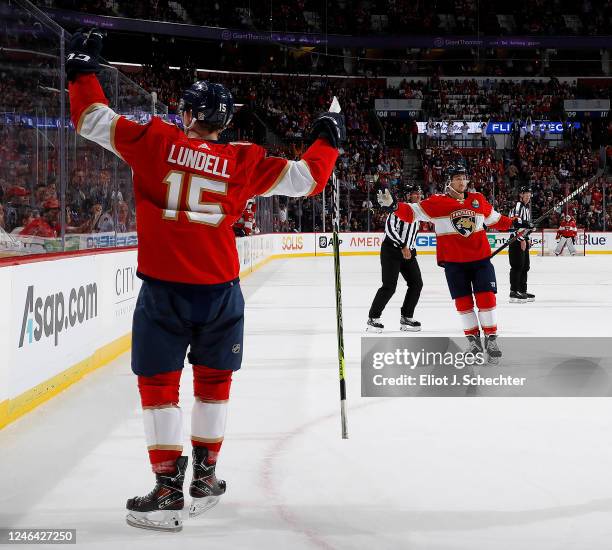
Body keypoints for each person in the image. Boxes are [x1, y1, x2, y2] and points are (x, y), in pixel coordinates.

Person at [66, 29, 343, 532]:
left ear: (189, 115)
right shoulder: (245, 160)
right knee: (214, 383)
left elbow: (90, 118)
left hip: (163, 291)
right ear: (225, 121)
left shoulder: (155, 141)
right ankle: (205, 477)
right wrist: (328, 139)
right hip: (220, 292)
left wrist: (84, 70)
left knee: (159, 386)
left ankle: (169, 486)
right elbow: (308, 180)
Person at [377, 165, 529, 362]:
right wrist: (393, 206)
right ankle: (473, 342)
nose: (462, 182)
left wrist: (517, 223)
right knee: (463, 303)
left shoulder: (478, 200)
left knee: (486, 299)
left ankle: (491, 338)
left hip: (480, 260)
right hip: (454, 264)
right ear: (449, 181)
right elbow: (411, 213)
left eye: (464, 178)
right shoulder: (436, 203)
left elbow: (497, 220)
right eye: (458, 178)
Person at [367, 185, 423, 333]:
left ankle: (406, 316)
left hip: (408, 253)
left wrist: (409, 248)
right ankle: (373, 318)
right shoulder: (397, 211)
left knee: (416, 284)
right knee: (389, 287)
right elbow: (390, 231)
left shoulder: (418, 212)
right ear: (407, 196)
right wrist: (403, 246)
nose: (419, 196)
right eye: (415, 193)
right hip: (391, 251)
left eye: (419, 193)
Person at [508, 186, 534, 302]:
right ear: (521, 195)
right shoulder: (518, 207)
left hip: (523, 239)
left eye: (529, 196)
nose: (528, 198)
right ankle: (514, 292)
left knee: (525, 266)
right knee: (517, 266)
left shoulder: (526, 209)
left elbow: (525, 226)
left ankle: (522, 290)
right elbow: (515, 223)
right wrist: (522, 239)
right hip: (516, 240)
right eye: (526, 195)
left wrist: (527, 237)